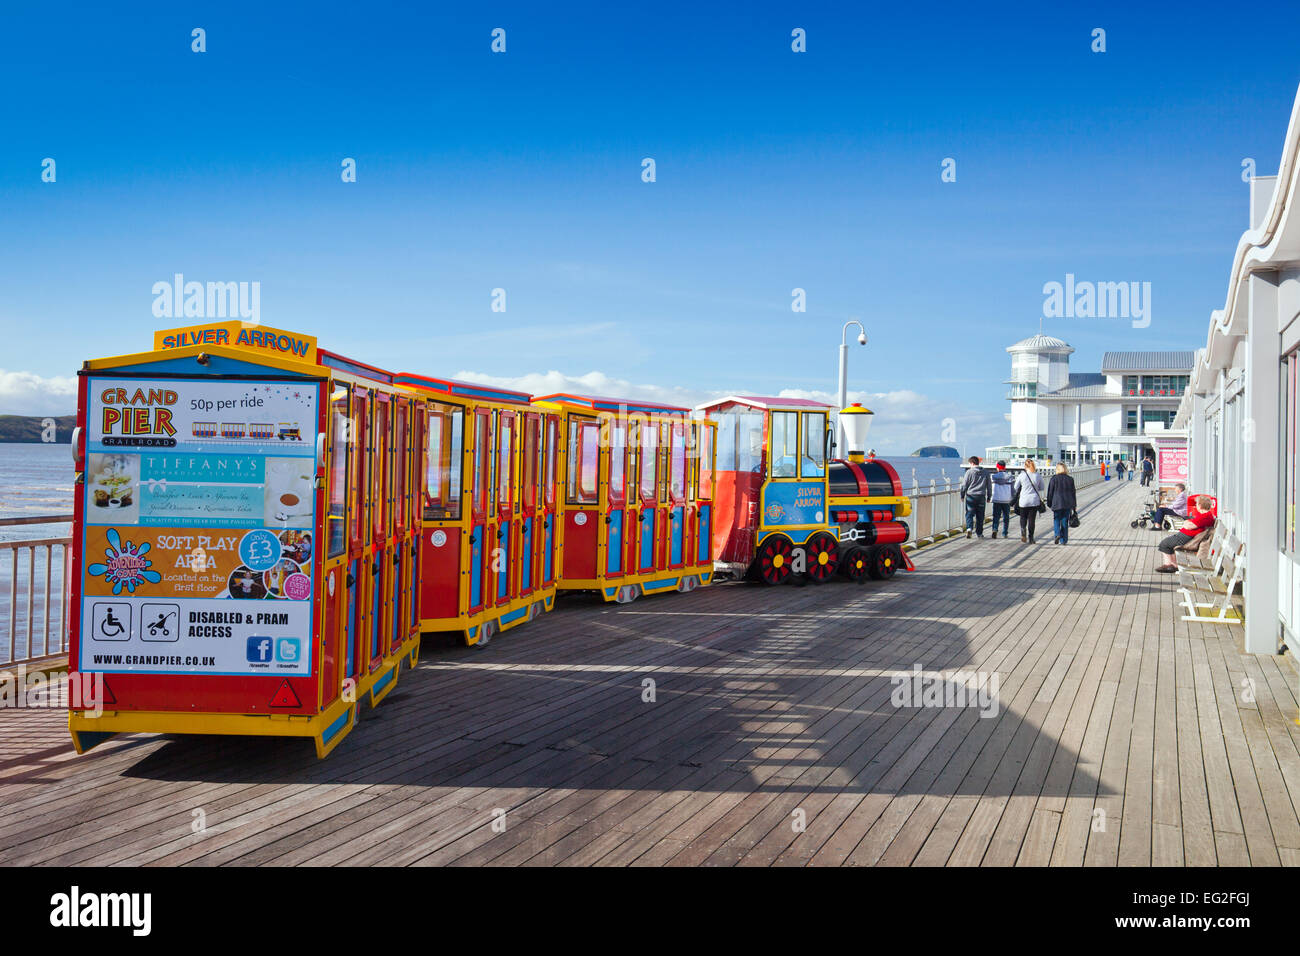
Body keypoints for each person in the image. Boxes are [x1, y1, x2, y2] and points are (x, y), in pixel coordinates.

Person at [1155, 495, 1216, 573]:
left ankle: (1172, 565)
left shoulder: (1205, 517)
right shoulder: (1205, 515)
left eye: (1197, 504)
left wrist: (1186, 523)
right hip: (1186, 536)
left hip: (1187, 538)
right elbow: (1189, 524)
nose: (1196, 506)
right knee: (1166, 544)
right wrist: (1187, 523)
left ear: (1200, 506)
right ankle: (1171, 565)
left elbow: (1189, 526)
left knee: (1164, 544)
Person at [958, 455, 990, 539]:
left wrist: (962, 495)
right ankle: (979, 533)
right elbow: (989, 485)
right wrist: (989, 496)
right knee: (980, 515)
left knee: (969, 513)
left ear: (972, 463)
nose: (969, 466)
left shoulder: (969, 472)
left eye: (970, 464)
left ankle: (969, 528)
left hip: (971, 496)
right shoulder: (986, 472)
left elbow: (964, 485)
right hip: (981, 496)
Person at [1013, 459, 1044, 543]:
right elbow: (1042, 488)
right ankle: (1031, 538)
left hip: (1023, 500)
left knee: (1023, 517)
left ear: (1025, 466)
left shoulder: (1021, 475)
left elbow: (1015, 487)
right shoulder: (1037, 475)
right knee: (1031, 520)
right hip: (1034, 500)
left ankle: (1023, 531)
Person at [1046, 462, 1077, 545]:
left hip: (1056, 503)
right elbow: (1073, 493)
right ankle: (1063, 540)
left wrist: (1049, 503)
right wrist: (1074, 506)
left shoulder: (1054, 479)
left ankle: (1057, 534)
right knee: (1064, 521)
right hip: (1067, 503)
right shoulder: (1070, 479)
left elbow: (1050, 492)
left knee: (1056, 519)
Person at [989, 460, 1014, 539]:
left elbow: (990, 487)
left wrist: (989, 496)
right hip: (1006, 500)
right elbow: (1013, 490)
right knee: (1006, 517)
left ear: (997, 468)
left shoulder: (993, 477)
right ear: (1005, 467)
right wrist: (1013, 498)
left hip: (996, 499)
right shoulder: (1010, 477)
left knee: (996, 516)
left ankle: (995, 529)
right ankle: (1004, 533)